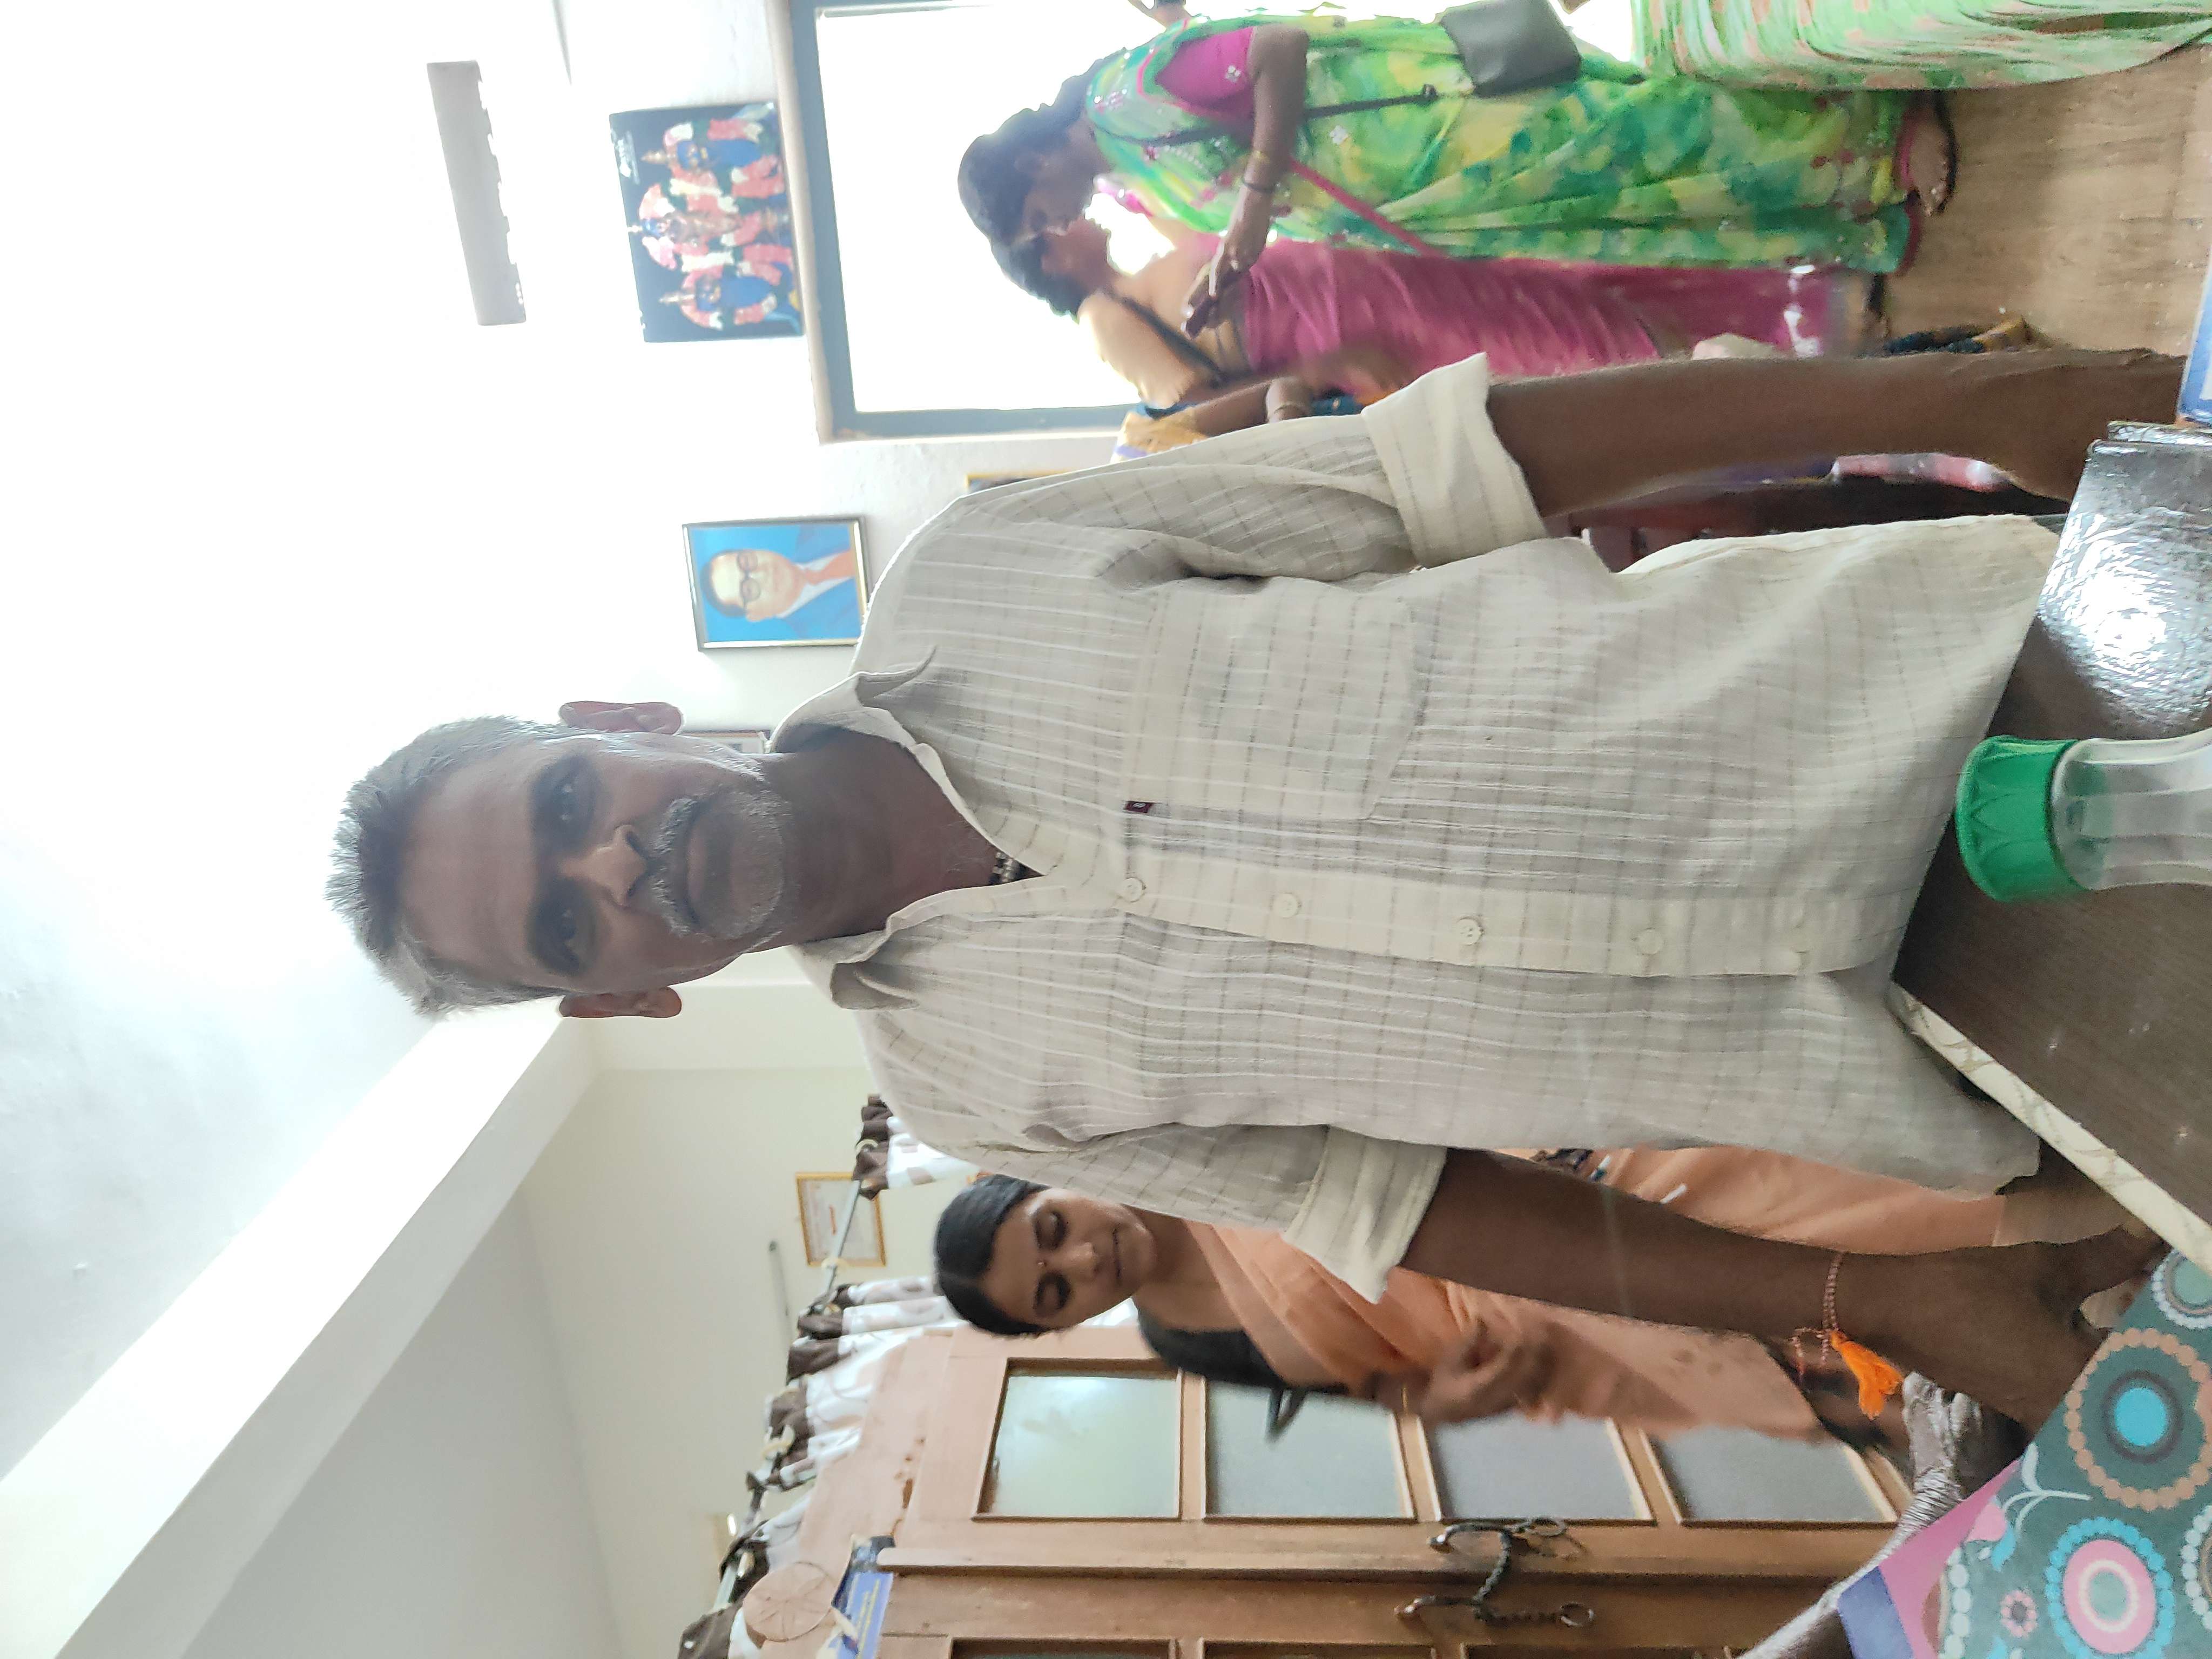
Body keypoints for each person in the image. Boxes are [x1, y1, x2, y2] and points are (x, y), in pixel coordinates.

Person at [329, 346, 2182, 1427]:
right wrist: (1868, 1293)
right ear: (617, 993)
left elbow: (1448, 468)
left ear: (619, 721)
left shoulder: (975, 576)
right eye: (564, 921)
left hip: (1999, 670)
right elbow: (1407, 1204)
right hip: (1935, 1062)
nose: (612, 858)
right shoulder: (964, 1085)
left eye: (567, 799)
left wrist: (1992, 397)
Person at [933, 1157, 2041, 1443]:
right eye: (1053, 1294)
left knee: (1849, 1236)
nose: (1083, 1259)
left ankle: (2051, 1253)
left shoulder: (1190, 1140)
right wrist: (1443, 1401)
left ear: (1046, 1182)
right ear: (1060, 1327)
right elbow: (1378, 1386)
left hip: (1570, 1207)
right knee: (1911, 1407)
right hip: (1570, 1354)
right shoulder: (1182, 1336)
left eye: (1052, 1228)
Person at [959, 16, 1957, 297]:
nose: (1059, 226)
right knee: (1630, 205)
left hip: (1430, 118)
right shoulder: (1132, 180)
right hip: (1424, 194)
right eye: (1043, 235)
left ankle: (1882, 131)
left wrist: (1254, 203)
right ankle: (1850, 209)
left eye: (1038, 217)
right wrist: (1237, 259)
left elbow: (1278, 50)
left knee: (1650, 132)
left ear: (1031, 164)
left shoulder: (1126, 95)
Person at [1001, 215, 1830, 410]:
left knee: (1556, 291)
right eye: (1054, 225)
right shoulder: (1101, 317)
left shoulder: (1146, 252)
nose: (1077, 218)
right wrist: (1322, 369)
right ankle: (1785, 388)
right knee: (1559, 343)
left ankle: (1799, 323)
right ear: (1045, 255)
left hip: (1378, 284)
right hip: (1364, 330)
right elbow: (1195, 404)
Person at [700, 544, 858, 625]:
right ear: (757, 616)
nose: (762, 574)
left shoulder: (817, 534)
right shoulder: (825, 634)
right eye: (748, 590)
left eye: (746, 562)